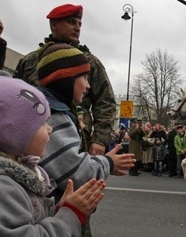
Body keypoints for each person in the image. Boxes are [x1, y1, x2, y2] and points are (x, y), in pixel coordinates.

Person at [0, 74, 106, 236]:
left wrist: (59, 211)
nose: (50, 129)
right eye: (42, 123)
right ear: (13, 132)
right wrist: (71, 214)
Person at [36, 42, 135, 236]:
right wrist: (108, 162)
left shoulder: (52, 109)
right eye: (83, 77)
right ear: (65, 79)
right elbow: (77, 174)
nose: (88, 85)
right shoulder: (55, 116)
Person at [14, 4, 115, 156]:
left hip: (75, 136)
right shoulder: (30, 60)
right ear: (54, 25)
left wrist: (100, 139)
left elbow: (105, 101)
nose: (77, 28)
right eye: (71, 22)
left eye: (79, 24)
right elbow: (15, 96)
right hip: (32, 134)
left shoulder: (88, 60)